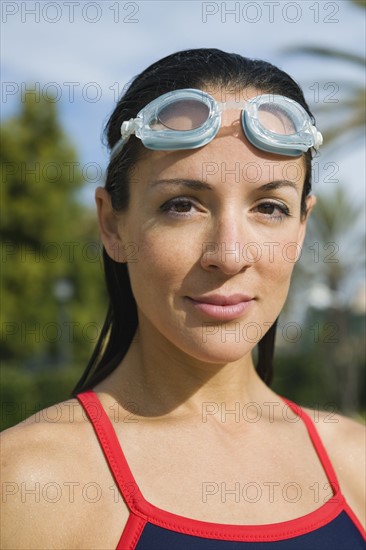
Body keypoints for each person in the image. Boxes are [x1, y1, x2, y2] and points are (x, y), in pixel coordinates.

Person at [1, 48, 365, 549]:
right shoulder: (26, 485)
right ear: (113, 225)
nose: (229, 254)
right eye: (182, 205)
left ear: (303, 227)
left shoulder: (358, 465)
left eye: (269, 207)